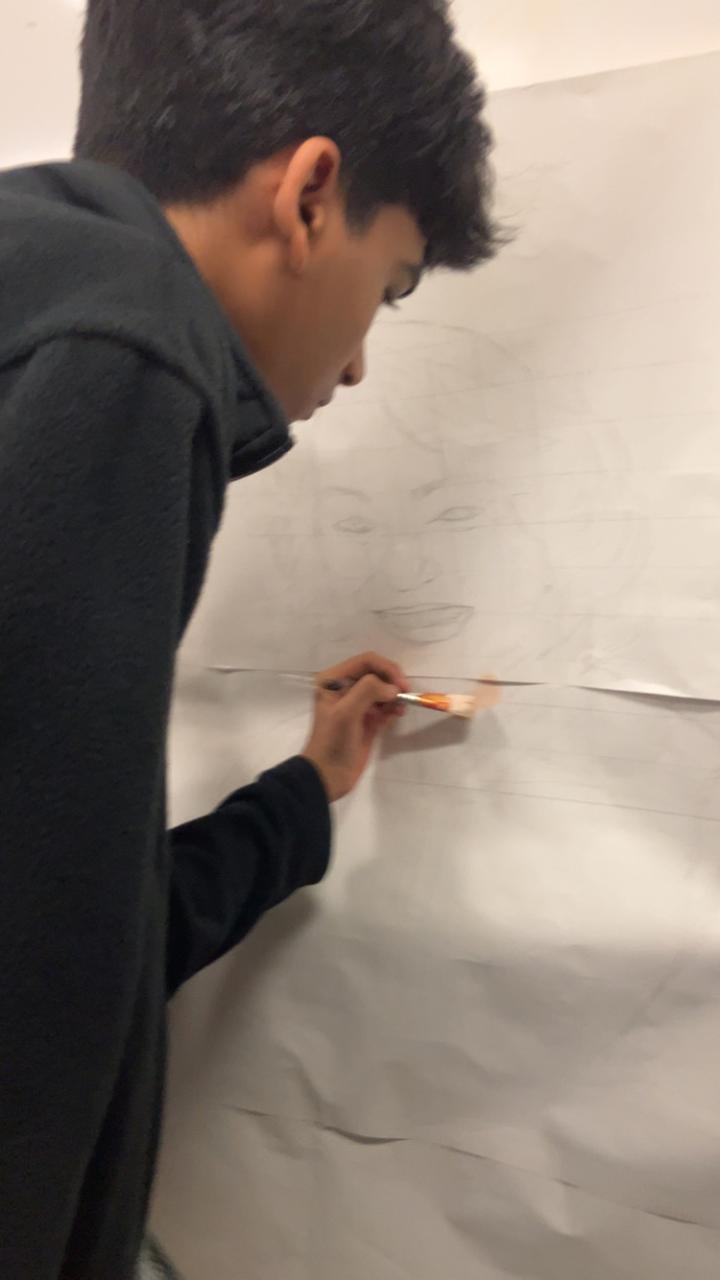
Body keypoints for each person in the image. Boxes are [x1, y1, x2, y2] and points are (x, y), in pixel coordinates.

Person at [0, 1, 499, 1276]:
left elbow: (81, 920)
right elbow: (43, 986)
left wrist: (303, 792)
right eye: (390, 285)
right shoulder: (126, 353)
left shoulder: (38, 286)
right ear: (311, 194)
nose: (360, 363)